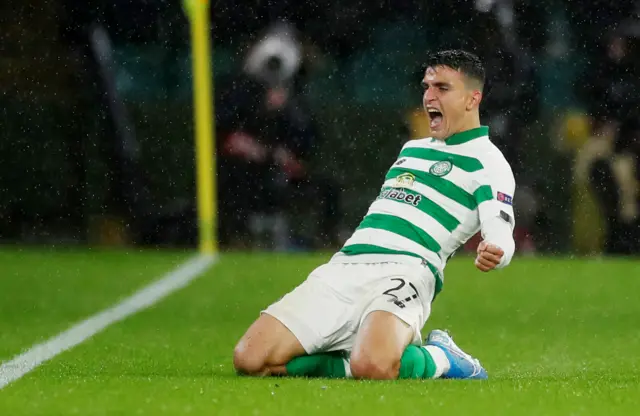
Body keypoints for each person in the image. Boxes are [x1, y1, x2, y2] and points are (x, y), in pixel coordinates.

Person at [233, 50, 516, 380]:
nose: (429, 96)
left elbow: (501, 232)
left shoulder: (489, 162)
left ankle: (443, 357)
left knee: (374, 367)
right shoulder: (412, 149)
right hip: (345, 267)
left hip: (407, 271)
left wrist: (496, 250)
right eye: (426, 86)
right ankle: (350, 355)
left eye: (442, 87)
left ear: (472, 98)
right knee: (250, 359)